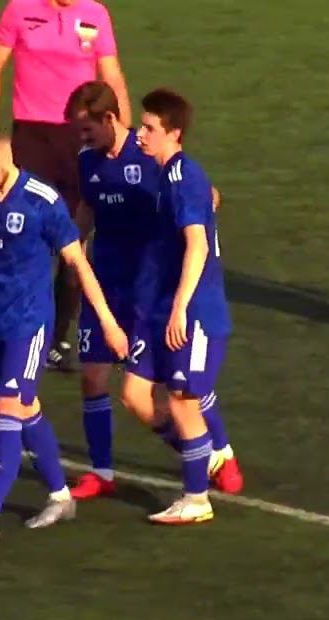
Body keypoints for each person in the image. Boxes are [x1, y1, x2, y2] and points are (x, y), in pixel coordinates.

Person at [0, 123, 127, 550]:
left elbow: (78, 263)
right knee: (25, 410)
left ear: (5, 155)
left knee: (8, 408)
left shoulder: (41, 201)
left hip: (28, 324)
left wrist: (108, 322)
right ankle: (61, 496)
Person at [63, 81, 243, 500]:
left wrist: (204, 206)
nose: (82, 138)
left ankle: (219, 453)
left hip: (149, 289)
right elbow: (88, 205)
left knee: (180, 385)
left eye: (87, 129)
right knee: (94, 378)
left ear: (110, 119)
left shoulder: (149, 156)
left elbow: (205, 196)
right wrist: (73, 248)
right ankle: (105, 471)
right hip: (106, 282)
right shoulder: (87, 161)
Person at [0, 0, 132, 371]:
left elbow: (112, 76)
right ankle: (16, 328)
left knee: (74, 239)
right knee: (23, 237)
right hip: (31, 137)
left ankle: (58, 338)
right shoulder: (19, 9)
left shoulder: (95, 14)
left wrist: (125, 138)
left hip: (78, 138)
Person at [128, 89, 232, 524]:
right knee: (135, 395)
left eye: (149, 127)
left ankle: (196, 498)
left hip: (193, 312)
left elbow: (198, 246)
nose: (141, 134)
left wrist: (180, 308)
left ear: (174, 133)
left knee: (183, 401)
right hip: (158, 306)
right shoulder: (169, 174)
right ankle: (204, 454)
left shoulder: (182, 177)